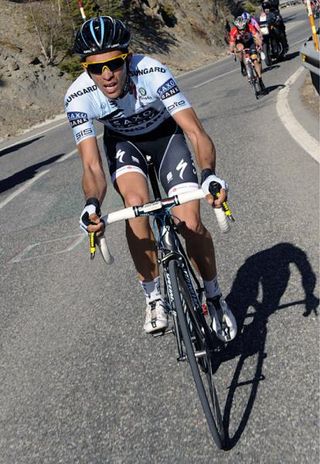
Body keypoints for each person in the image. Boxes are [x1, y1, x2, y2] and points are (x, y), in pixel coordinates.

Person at [64, 15, 237, 341]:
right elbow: (91, 166)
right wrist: (91, 205)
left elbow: (195, 132)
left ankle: (213, 296)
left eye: (114, 64)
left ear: (127, 59)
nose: (106, 75)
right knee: (135, 205)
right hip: (123, 143)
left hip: (165, 138)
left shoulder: (153, 71)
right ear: (85, 69)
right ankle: (152, 296)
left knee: (189, 220)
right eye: (94, 68)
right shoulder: (78, 97)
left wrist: (209, 176)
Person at [229, 16, 266, 92]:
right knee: (239, 49)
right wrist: (231, 50)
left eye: (243, 29)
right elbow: (232, 43)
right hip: (240, 43)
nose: (242, 31)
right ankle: (242, 63)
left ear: (246, 25)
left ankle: (260, 79)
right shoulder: (234, 31)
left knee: (255, 59)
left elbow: (257, 37)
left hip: (250, 43)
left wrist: (260, 45)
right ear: (236, 27)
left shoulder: (250, 27)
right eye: (240, 29)